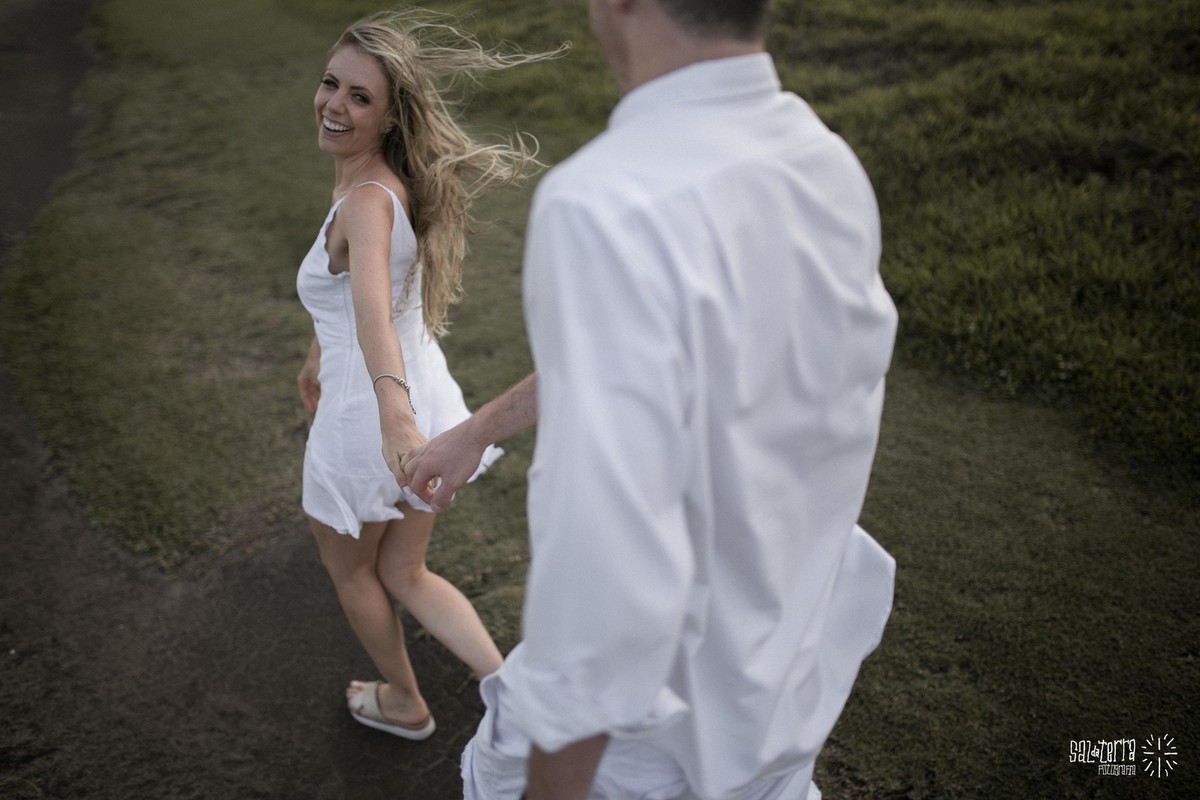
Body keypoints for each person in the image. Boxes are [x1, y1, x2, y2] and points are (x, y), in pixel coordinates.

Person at [404, 0, 899, 795]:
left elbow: (604, 561)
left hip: (648, 743)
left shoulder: (607, 200)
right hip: (783, 695)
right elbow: (675, 359)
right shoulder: (826, 162)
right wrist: (479, 429)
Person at [294, 9, 556, 741]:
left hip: (373, 422)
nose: (335, 105)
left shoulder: (365, 202)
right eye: (331, 84)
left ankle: (406, 703)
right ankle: (514, 694)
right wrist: (318, 351)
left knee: (356, 573)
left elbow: (374, 316)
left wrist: (394, 421)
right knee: (405, 571)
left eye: (360, 97)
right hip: (431, 398)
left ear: (389, 118)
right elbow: (357, 298)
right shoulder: (385, 184)